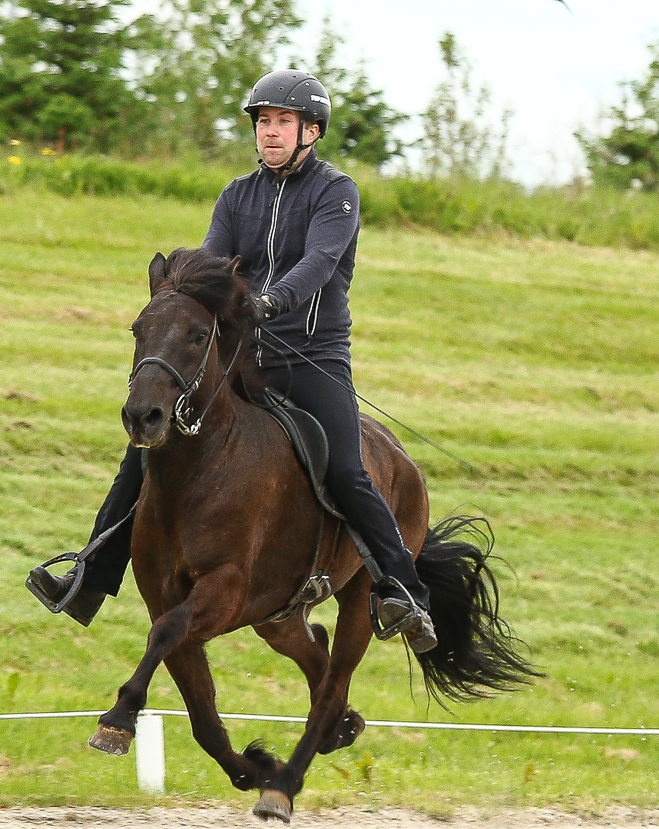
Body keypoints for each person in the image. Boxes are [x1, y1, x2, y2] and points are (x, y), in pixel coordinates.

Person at [28, 69, 436, 651]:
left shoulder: (336, 192)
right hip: (244, 358)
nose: (270, 133)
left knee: (347, 468)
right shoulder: (236, 195)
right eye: (264, 122)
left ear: (311, 132)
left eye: (283, 123)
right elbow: (211, 267)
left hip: (313, 359)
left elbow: (318, 265)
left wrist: (268, 301)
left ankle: (403, 592)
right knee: (144, 453)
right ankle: (90, 578)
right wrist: (180, 296)